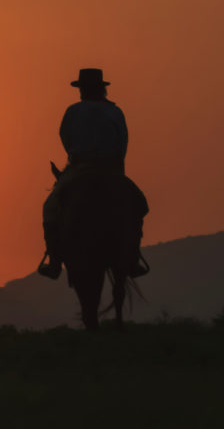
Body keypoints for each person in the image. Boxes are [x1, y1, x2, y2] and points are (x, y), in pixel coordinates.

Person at [38, 68, 149, 279]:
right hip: (111, 169)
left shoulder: (73, 111)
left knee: (50, 208)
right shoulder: (115, 112)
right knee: (138, 204)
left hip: (80, 167)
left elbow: (65, 138)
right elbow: (122, 142)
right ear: (102, 89)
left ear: (82, 90)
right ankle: (132, 258)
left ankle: (54, 261)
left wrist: (77, 156)